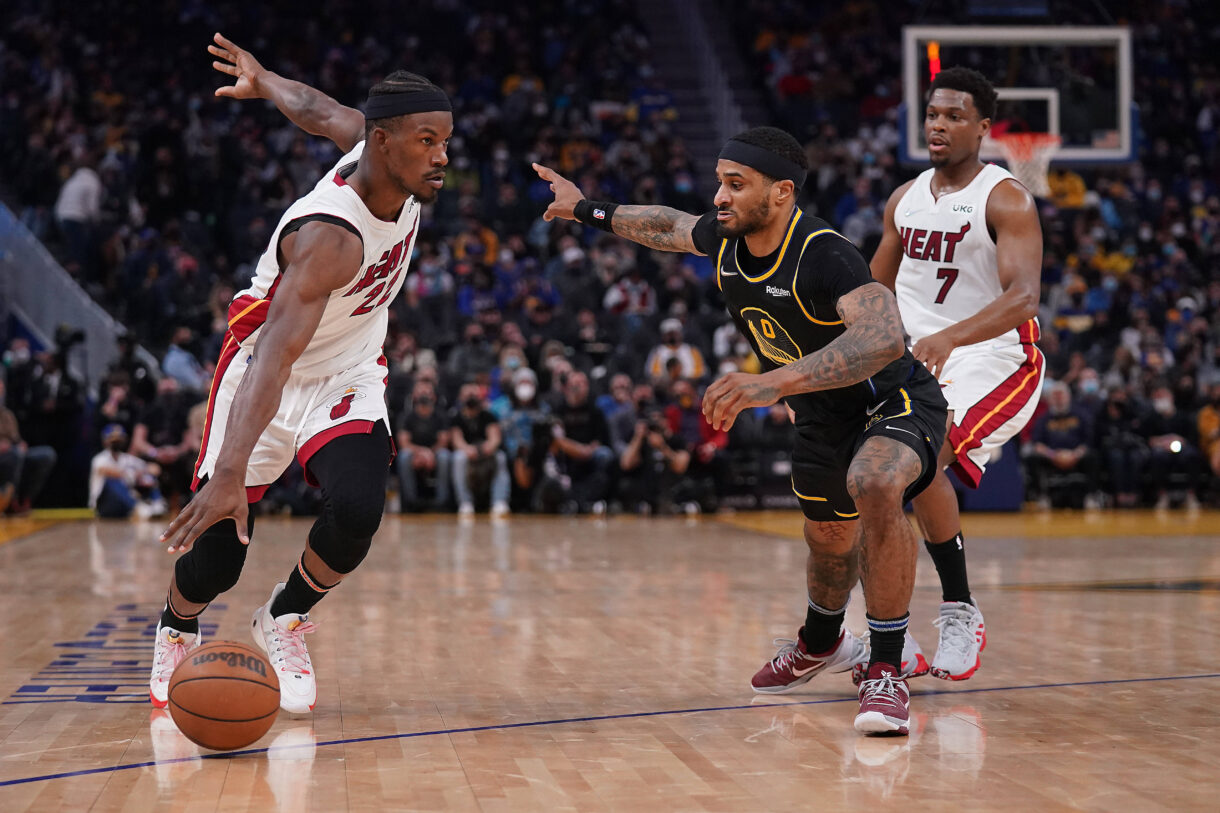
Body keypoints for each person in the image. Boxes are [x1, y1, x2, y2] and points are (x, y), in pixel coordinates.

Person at [535, 125, 949, 736]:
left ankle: (887, 667)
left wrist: (772, 384)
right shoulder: (727, 237)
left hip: (891, 402)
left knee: (876, 481)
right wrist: (584, 208)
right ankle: (820, 642)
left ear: (781, 193)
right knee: (828, 541)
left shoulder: (825, 252)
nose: (720, 196)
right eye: (719, 183)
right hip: (818, 414)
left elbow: (884, 337)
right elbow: (668, 225)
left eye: (736, 184)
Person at [152, 33, 453, 714]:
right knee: (219, 555)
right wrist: (229, 471)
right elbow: (273, 357)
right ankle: (176, 622)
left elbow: (319, 110)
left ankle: (283, 615)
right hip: (265, 373)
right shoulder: (329, 238)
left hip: (346, 363)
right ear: (385, 142)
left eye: (445, 141)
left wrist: (265, 79)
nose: (443, 157)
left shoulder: (378, 151)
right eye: (428, 141)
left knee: (357, 509)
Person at [870, 67, 1044, 682]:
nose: (939, 125)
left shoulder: (1006, 197)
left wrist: (949, 335)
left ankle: (959, 610)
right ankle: (887, 636)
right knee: (881, 476)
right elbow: (872, 292)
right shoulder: (905, 198)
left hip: (992, 355)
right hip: (918, 356)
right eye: (933, 115)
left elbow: (1024, 297)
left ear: (984, 127)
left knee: (919, 460)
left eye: (954, 116)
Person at [450, 382, 511, 518]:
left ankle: (499, 501)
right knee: (458, 458)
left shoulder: (488, 415)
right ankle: (465, 503)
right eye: (468, 394)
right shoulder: (456, 417)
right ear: (461, 397)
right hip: (467, 452)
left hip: (486, 451)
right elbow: (457, 440)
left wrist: (487, 447)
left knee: (500, 457)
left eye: (474, 394)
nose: (471, 397)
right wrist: (468, 449)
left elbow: (495, 438)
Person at [396, 380, 452, 512]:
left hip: (435, 453)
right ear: (414, 395)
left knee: (445, 456)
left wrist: (430, 454)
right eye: (420, 392)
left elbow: (443, 442)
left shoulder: (441, 416)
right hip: (415, 454)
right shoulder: (406, 417)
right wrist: (422, 452)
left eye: (427, 392)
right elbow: (404, 443)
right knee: (404, 457)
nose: (424, 395)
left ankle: (442, 502)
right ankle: (410, 502)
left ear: (434, 396)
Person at [88, 424, 166, 519]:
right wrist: (133, 474)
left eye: (119, 440)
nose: (116, 443)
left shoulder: (127, 459)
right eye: (113, 440)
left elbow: (154, 468)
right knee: (113, 480)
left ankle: (157, 505)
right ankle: (139, 508)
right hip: (104, 506)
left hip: (124, 505)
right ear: (105, 441)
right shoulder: (100, 459)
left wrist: (143, 473)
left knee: (148, 477)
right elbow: (109, 472)